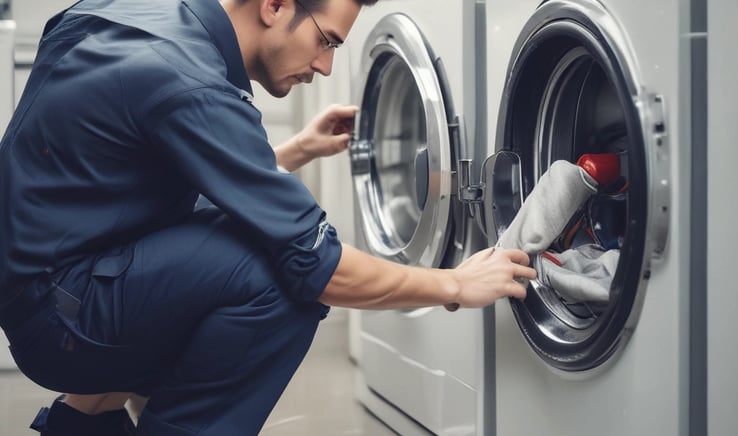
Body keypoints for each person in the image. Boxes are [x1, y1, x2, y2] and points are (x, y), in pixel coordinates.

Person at [0, 0, 536, 434]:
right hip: (64, 325)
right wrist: (456, 284)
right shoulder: (189, 82)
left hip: (47, 290)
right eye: (326, 40)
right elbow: (319, 265)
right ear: (275, 6)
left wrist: (298, 148)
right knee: (278, 279)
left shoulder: (143, 19)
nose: (325, 65)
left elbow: (145, 176)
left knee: (243, 232)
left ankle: (81, 423)